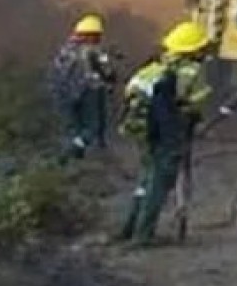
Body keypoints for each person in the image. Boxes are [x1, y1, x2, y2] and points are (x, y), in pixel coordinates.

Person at [117, 21, 214, 246]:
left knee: (146, 178)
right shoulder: (192, 71)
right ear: (194, 50)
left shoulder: (152, 67)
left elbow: (130, 93)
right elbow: (196, 103)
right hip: (168, 132)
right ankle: (142, 236)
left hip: (139, 130)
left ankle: (129, 228)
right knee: (159, 183)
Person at [46, 14, 118, 159]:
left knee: (73, 128)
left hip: (63, 94)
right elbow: (108, 71)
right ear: (91, 35)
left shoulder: (65, 50)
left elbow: (55, 73)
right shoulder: (93, 50)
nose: (99, 39)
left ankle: (71, 158)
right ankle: (74, 152)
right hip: (89, 92)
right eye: (97, 36)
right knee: (93, 128)